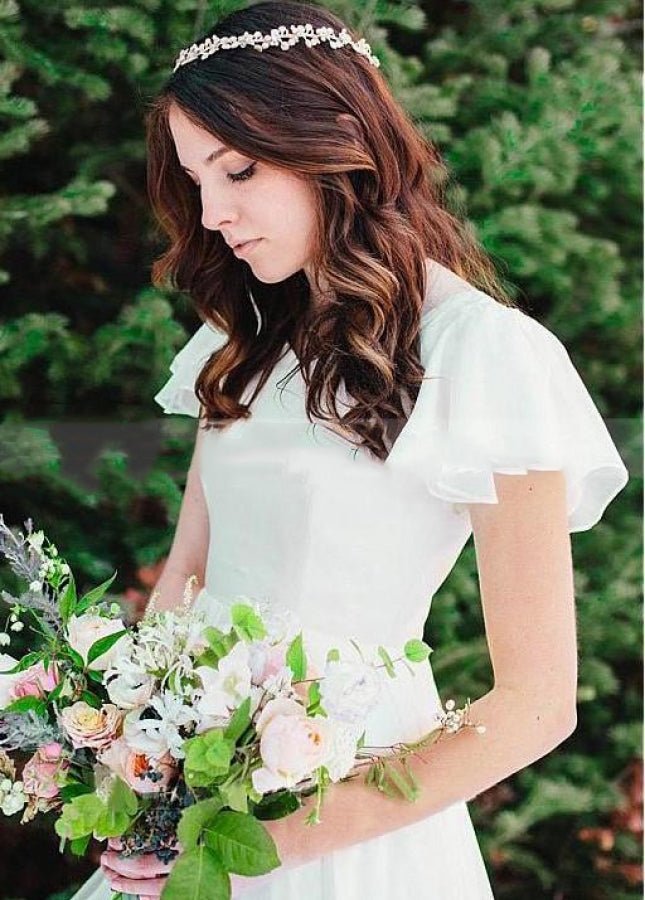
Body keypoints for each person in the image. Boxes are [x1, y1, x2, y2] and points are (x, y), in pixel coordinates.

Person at [70, 2, 630, 898]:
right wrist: (133, 764)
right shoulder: (240, 341)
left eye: (239, 170)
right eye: (194, 179)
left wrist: (270, 846)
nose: (212, 213)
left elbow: (535, 704)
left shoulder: (484, 354)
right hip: (192, 793)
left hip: (352, 812)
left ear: (334, 143)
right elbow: (188, 574)